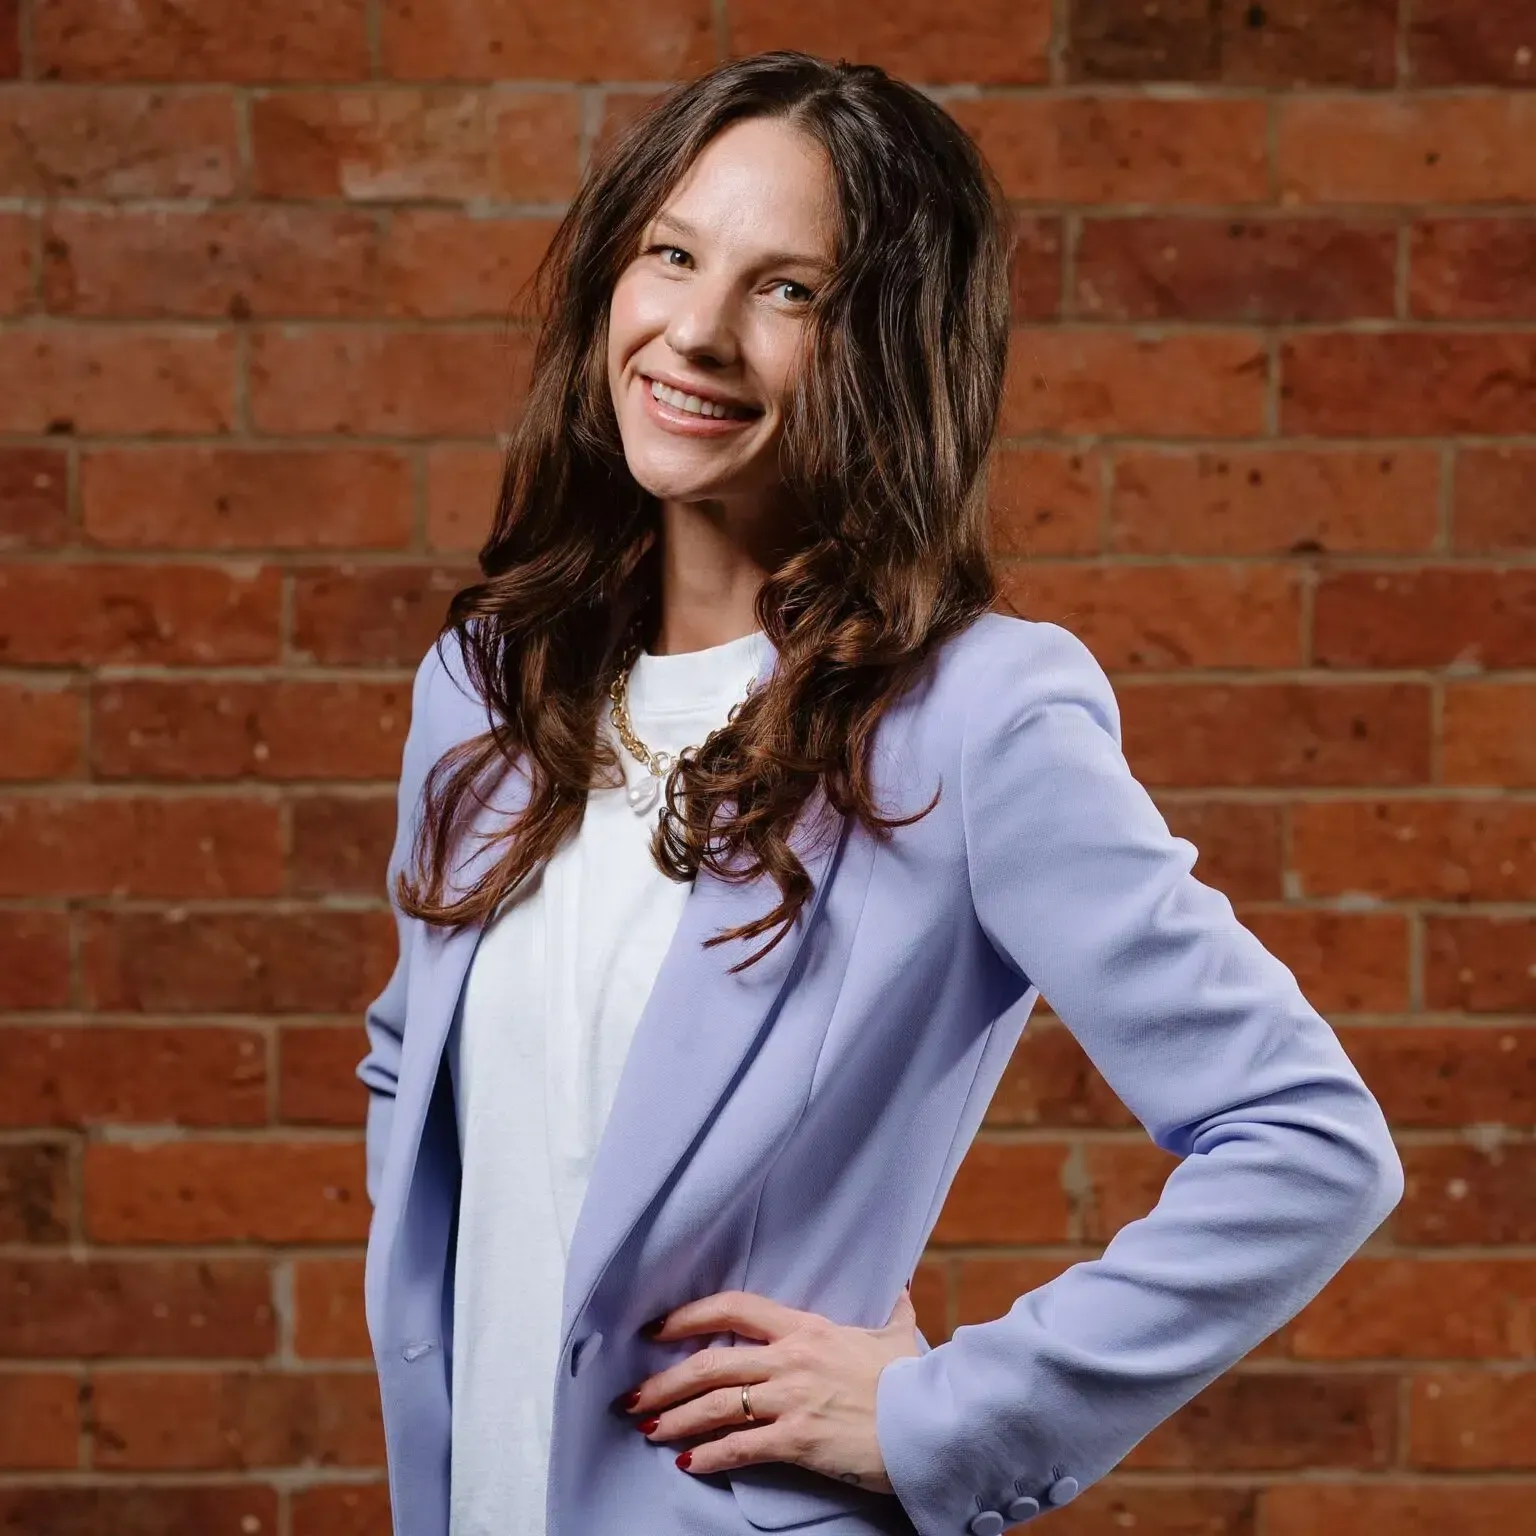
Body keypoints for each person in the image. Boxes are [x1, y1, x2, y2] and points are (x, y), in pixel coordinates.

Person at [356, 49, 1402, 1536]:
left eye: (789, 291)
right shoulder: (486, 687)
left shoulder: (974, 719)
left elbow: (1308, 1145)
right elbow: (415, 1062)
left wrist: (945, 1419)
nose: (696, 332)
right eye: (672, 255)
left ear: (889, 350)